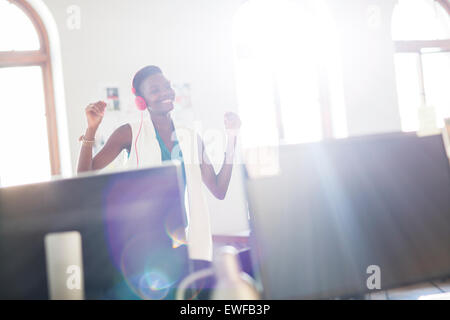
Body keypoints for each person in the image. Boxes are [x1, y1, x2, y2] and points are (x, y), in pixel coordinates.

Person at [77, 65, 244, 297]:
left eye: (167, 87)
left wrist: (232, 138)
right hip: (143, 246)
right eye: (156, 89)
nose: (166, 92)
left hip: (189, 242)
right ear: (141, 101)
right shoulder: (129, 133)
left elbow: (218, 189)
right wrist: (91, 130)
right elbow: (84, 175)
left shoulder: (190, 137)